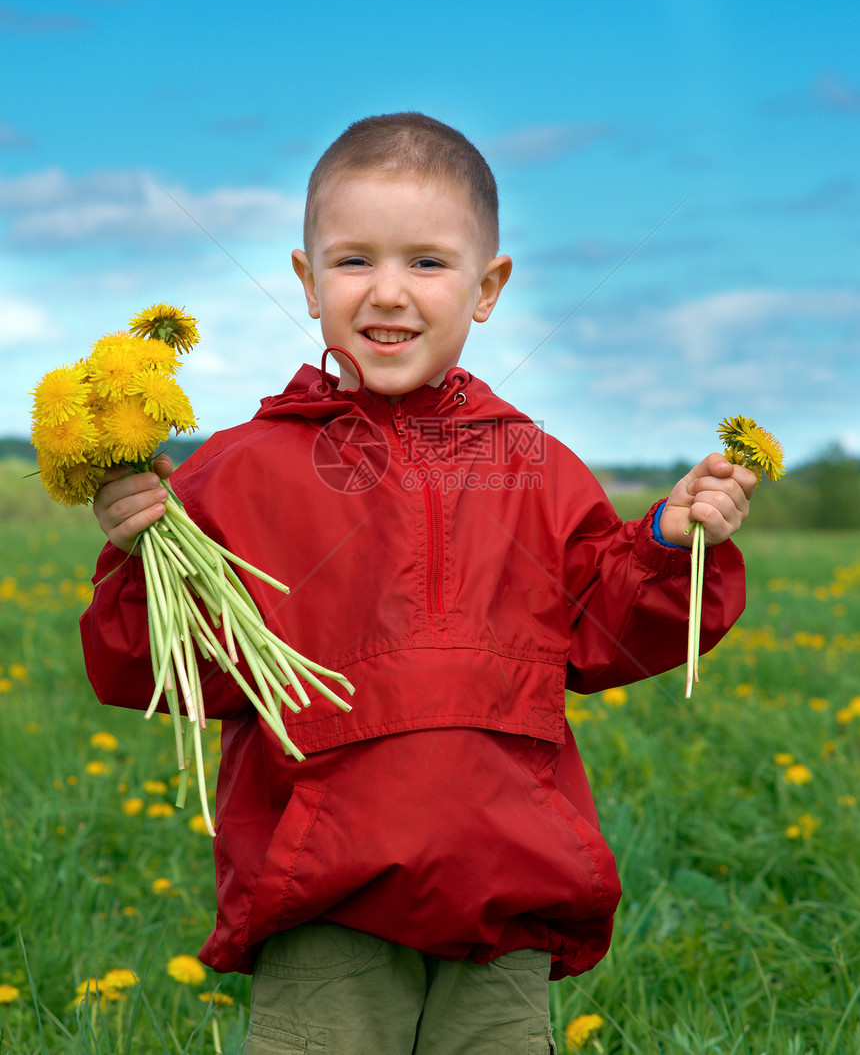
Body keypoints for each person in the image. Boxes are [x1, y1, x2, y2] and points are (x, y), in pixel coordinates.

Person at [80, 112, 755, 1055]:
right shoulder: (235, 472)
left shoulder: (537, 465)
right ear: (307, 282)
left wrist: (669, 546)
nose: (388, 292)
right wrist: (136, 556)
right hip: (327, 894)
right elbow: (153, 668)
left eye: (428, 263)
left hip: (508, 896)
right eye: (353, 261)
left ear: (488, 289)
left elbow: (606, 636)